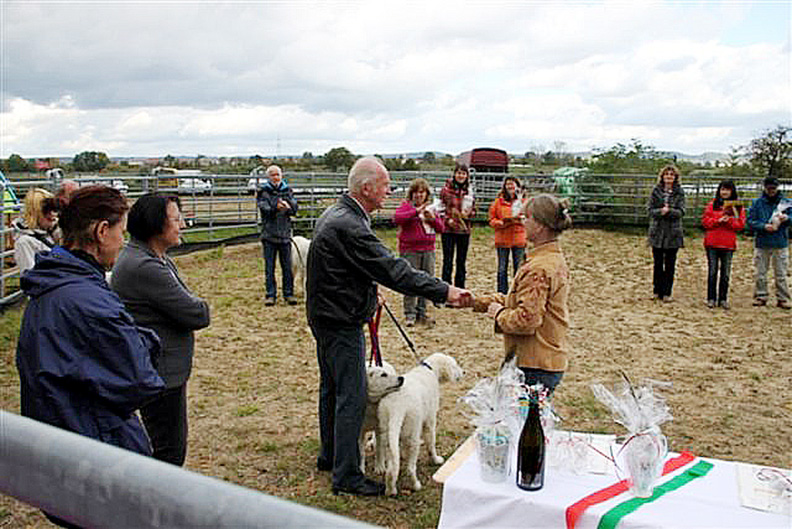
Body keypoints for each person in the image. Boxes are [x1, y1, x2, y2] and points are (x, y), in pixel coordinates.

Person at [306, 157, 472, 496]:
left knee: (332, 388)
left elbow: (347, 267)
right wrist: (445, 291)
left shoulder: (338, 214)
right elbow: (395, 270)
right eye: (384, 185)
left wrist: (367, 289)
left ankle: (331, 455)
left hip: (327, 315)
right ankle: (347, 475)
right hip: (340, 321)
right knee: (352, 396)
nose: (389, 191)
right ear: (366, 188)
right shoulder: (350, 224)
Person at [16, 185, 165, 455]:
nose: (123, 241)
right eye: (122, 232)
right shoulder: (87, 301)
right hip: (95, 448)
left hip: (58, 438)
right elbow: (140, 380)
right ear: (102, 231)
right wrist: (146, 340)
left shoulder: (52, 284)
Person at [111, 193, 211, 466]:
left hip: (162, 369)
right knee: (168, 450)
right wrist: (198, 305)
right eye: (176, 219)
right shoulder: (145, 266)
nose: (183, 225)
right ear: (156, 224)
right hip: (161, 373)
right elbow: (197, 313)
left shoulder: (155, 258)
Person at [473, 194, 572, 394]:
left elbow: (526, 320)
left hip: (534, 363)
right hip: (544, 360)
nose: (522, 221)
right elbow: (518, 300)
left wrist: (499, 313)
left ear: (541, 226)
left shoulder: (539, 268)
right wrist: (477, 302)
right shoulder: (549, 259)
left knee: (523, 422)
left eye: (527, 217)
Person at [392, 177, 444, 327]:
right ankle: (410, 313)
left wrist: (432, 219)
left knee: (426, 281)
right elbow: (398, 219)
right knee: (410, 281)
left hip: (428, 250)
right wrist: (416, 212)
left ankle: (422, 312)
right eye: (416, 192)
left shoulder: (432, 208)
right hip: (410, 250)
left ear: (426, 194)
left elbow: (441, 228)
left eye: (422, 192)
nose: (419, 195)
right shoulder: (406, 207)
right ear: (411, 194)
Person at [747, 175, 791, 309]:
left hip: (780, 242)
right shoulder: (757, 203)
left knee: (781, 273)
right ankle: (761, 296)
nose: (771, 190)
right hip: (762, 242)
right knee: (760, 272)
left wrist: (787, 218)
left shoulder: (786, 203)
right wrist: (763, 226)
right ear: (764, 188)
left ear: (777, 187)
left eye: (774, 188)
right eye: (769, 188)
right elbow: (750, 221)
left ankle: (783, 298)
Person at [257, 164, 298, 306]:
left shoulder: (288, 190)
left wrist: (289, 207)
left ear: (282, 176)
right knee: (270, 268)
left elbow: (295, 208)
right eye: (273, 175)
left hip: (285, 235)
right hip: (269, 235)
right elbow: (264, 208)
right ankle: (270, 295)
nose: (276, 177)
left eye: (278, 174)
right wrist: (276, 208)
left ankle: (289, 294)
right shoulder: (263, 191)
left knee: (287, 267)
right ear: (268, 177)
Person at [701, 180, 746, 310]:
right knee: (712, 272)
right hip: (712, 243)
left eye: (727, 190)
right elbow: (705, 222)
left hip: (728, 244)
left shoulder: (737, 207)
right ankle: (711, 298)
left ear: (732, 191)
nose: (724, 192)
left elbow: (740, 225)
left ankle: (723, 299)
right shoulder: (711, 205)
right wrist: (718, 220)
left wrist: (729, 221)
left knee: (726, 273)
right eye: (722, 189)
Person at [647, 164, 685, 302]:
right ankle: (657, 290)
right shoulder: (655, 191)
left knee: (670, 264)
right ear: (662, 176)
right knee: (657, 263)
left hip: (673, 232)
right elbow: (650, 210)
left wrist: (669, 212)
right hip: (657, 231)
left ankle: (667, 292)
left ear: (675, 178)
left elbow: (682, 211)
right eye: (666, 174)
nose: (669, 177)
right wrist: (660, 212)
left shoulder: (680, 192)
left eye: (671, 175)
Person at [440, 163, 476, 288]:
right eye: (459, 173)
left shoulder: (469, 191)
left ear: (467, 176)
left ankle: (460, 288)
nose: (461, 176)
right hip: (448, 229)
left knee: (461, 261)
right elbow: (440, 207)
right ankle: (446, 288)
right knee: (447, 260)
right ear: (454, 174)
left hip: (464, 230)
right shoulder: (445, 190)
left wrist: (470, 214)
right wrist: (448, 219)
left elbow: (474, 209)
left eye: (463, 173)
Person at [489, 176, 527, 294]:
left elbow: (530, 218)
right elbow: (491, 219)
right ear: (504, 187)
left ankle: (518, 293)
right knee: (502, 270)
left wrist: (521, 220)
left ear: (517, 186)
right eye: (508, 184)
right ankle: (502, 293)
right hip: (503, 238)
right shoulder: (497, 203)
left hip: (519, 238)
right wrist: (501, 223)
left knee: (519, 269)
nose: (510, 186)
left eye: (513, 184)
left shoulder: (524, 202)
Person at [12, 188, 59, 274]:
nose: (53, 214)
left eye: (54, 209)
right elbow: (31, 277)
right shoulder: (25, 242)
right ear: (35, 213)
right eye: (46, 211)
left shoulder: (54, 233)